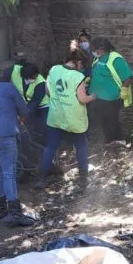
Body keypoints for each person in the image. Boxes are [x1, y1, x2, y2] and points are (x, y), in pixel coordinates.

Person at [0, 69, 35, 227]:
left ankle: (1, 209)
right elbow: (23, 109)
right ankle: (15, 213)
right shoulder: (8, 87)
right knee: (9, 172)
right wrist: (21, 118)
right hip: (5, 135)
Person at [38, 44, 95, 187]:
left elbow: (48, 92)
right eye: (82, 64)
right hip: (74, 119)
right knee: (81, 146)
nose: (82, 67)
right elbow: (82, 99)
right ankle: (83, 179)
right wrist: (93, 96)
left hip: (56, 117)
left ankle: (41, 179)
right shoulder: (78, 76)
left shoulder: (54, 69)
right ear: (79, 62)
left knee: (50, 147)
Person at [88, 37, 133, 145]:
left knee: (111, 121)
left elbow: (127, 76)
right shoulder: (98, 59)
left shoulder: (116, 59)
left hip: (111, 100)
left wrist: (124, 89)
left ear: (101, 49)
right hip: (97, 97)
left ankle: (118, 141)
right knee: (103, 121)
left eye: (94, 49)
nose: (93, 51)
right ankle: (108, 141)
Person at [9, 60, 49, 140]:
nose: (35, 78)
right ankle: (32, 138)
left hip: (43, 105)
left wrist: (22, 115)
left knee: (44, 125)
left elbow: (35, 101)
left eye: (36, 76)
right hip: (28, 103)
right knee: (30, 123)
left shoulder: (41, 83)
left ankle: (44, 141)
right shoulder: (15, 72)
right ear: (25, 77)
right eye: (33, 77)